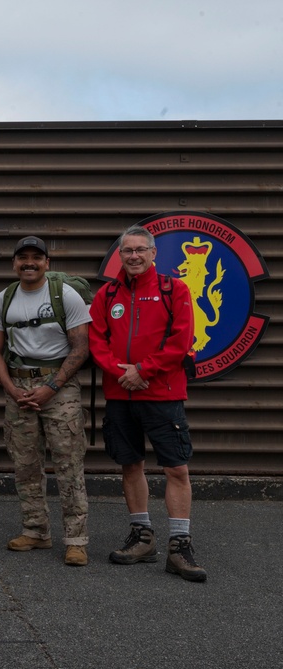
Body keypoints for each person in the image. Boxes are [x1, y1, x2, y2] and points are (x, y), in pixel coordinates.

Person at [88, 226, 206, 582]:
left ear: (153, 253)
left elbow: (181, 340)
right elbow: (96, 339)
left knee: (176, 470)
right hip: (120, 395)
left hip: (162, 395)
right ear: (119, 256)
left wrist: (143, 371)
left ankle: (179, 546)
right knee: (130, 465)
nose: (134, 256)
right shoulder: (107, 294)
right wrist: (121, 373)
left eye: (141, 250)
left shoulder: (175, 290)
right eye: (128, 251)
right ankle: (142, 539)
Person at [0, 235, 91, 567]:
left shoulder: (66, 295)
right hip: (19, 387)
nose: (29, 263)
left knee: (68, 463)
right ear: (14, 263)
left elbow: (81, 348)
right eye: (23, 258)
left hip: (59, 388)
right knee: (26, 464)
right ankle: (36, 530)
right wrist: (11, 389)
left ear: (47, 262)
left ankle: (75, 539)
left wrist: (52, 386)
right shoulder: (3, 300)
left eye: (36, 257)